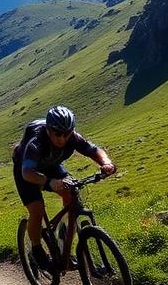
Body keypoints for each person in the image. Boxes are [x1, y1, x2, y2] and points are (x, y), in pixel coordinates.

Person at [12, 106, 116, 272]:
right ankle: (37, 250)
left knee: (71, 195)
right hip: (27, 170)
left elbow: (94, 150)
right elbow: (27, 173)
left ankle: (62, 247)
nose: (62, 138)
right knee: (37, 210)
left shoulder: (73, 137)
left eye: (67, 133)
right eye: (57, 134)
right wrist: (49, 182)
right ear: (48, 130)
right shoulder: (36, 143)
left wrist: (106, 163)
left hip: (51, 165)